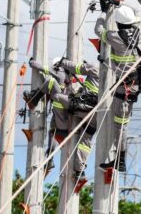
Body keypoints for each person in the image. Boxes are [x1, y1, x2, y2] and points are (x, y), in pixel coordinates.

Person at [95, 0, 141, 172]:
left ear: (118, 23)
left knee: (120, 124)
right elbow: (138, 12)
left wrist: (104, 11)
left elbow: (98, 30)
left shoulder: (114, 36)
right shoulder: (140, 30)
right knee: (121, 121)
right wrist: (119, 4)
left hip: (128, 87)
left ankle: (120, 160)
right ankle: (118, 158)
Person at [52, 58, 100, 188]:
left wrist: (63, 62)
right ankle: (79, 171)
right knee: (85, 142)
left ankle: (61, 129)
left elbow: (77, 68)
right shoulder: (115, 74)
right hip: (97, 114)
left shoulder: (96, 66)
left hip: (82, 106)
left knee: (57, 98)